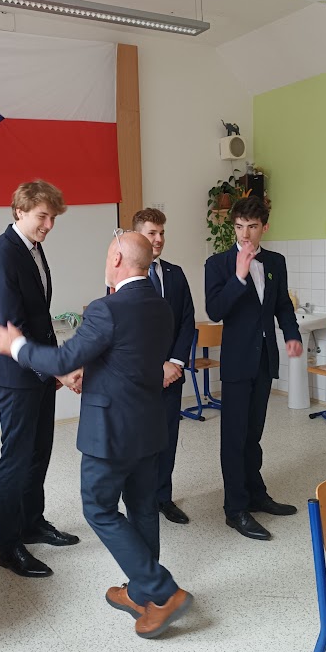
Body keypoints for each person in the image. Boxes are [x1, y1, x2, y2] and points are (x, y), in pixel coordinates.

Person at [0, 231, 194, 638]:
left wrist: (16, 346)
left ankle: (162, 590)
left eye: (106, 255)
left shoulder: (107, 309)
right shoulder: (160, 305)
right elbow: (128, 359)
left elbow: (64, 358)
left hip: (111, 433)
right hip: (148, 426)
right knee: (141, 508)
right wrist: (91, 371)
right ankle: (142, 591)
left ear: (118, 259)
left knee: (99, 508)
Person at [0, 180, 81, 578]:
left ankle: (32, 523)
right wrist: (53, 367)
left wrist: (51, 364)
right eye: (43, 216)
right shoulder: (1, 254)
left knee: (40, 451)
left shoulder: (34, 248)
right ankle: (9, 547)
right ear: (19, 211)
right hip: (18, 372)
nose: (49, 225)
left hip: (40, 368)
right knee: (16, 459)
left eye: (53, 218)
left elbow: (40, 317)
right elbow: (12, 326)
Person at [205, 195, 302, 541]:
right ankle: (235, 509)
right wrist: (239, 276)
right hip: (236, 361)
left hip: (264, 359)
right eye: (239, 227)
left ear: (265, 227)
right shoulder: (217, 264)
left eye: (252, 227)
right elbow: (215, 311)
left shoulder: (275, 261)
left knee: (253, 434)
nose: (245, 234)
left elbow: (282, 307)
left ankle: (256, 494)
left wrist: (292, 335)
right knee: (234, 437)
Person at [132, 207, 195, 524]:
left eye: (161, 233)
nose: (158, 239)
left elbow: (187, 321)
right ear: (137, 236)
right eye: (151, 233)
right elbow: (127, 330)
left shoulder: (175, 274)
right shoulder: (125, 275)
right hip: (140, 378)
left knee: (167, 438)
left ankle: (163, 498)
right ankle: (140, 501)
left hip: (173, 375)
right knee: (141, 442)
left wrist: (174, 363)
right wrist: (156, 366)